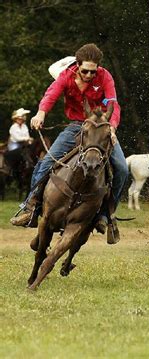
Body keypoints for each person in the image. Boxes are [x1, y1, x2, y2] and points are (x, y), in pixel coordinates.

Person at [10, 43, 128, 243]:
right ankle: (31, 207)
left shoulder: (105, 77)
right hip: (75, 126)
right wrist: (40, 113)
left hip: (100, 129)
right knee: (46, 162)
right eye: (85, 71)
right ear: (77, 65)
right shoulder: (66, 76)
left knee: (122, 169)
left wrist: (112, 128)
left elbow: (112, 104)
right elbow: (51, 95)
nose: (90, 75)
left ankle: (106, 216)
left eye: (93, 71)